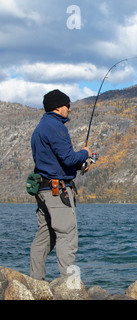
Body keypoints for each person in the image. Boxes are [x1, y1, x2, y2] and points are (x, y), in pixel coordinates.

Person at [30, 89, 91, 281]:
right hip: (57, 192)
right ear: (58, 107)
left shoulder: (40, 128)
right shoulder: (56, 127)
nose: (70, 110)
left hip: (43, 190)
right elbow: (68, 157)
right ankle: (70, 286)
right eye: (68, 105)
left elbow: (56, 162)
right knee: (67, 236)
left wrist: (78, 166)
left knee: (44, 237)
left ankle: (35, 282)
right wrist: (85, 153)